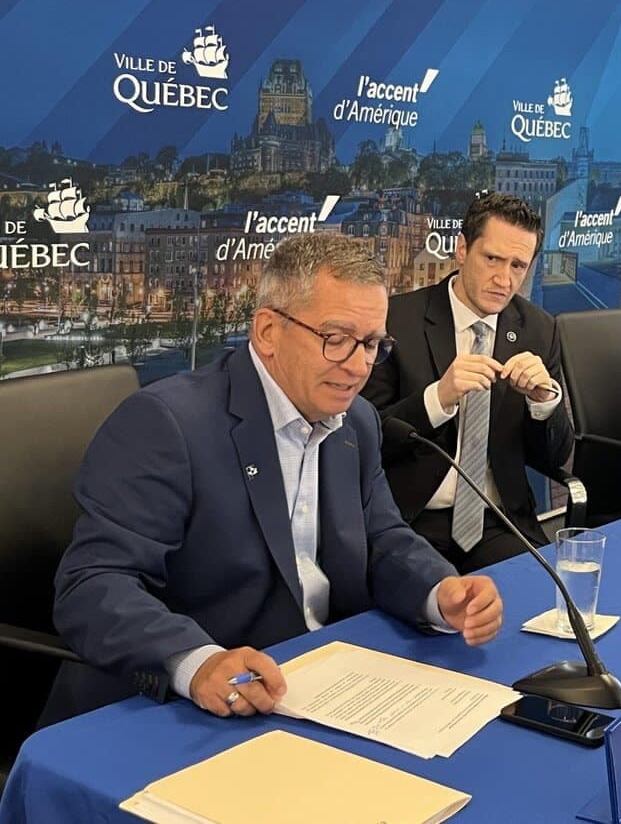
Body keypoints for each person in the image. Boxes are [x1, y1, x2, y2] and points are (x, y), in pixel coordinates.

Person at [49, 233, 502, 725]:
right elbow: (93, 585)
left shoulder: (359, 422)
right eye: (336, 339)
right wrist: (197, 663)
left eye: (372, 344)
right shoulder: (167, 425)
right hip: (183, 712)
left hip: (322, 685)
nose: (358, 366)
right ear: (267, 331)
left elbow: (381, 538)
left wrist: (439, 592)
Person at [362, 193, 573, 573]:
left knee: (541, 600)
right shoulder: (397, 320)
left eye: (518, 266)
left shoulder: (539, 329)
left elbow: (553, 457)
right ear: (461, 249)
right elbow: (361, 439)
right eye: (491, 259)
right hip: (410, 522)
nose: (503, 279)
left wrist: (544, 404)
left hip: (499, 521)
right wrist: (437, 399)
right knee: (437, 611)